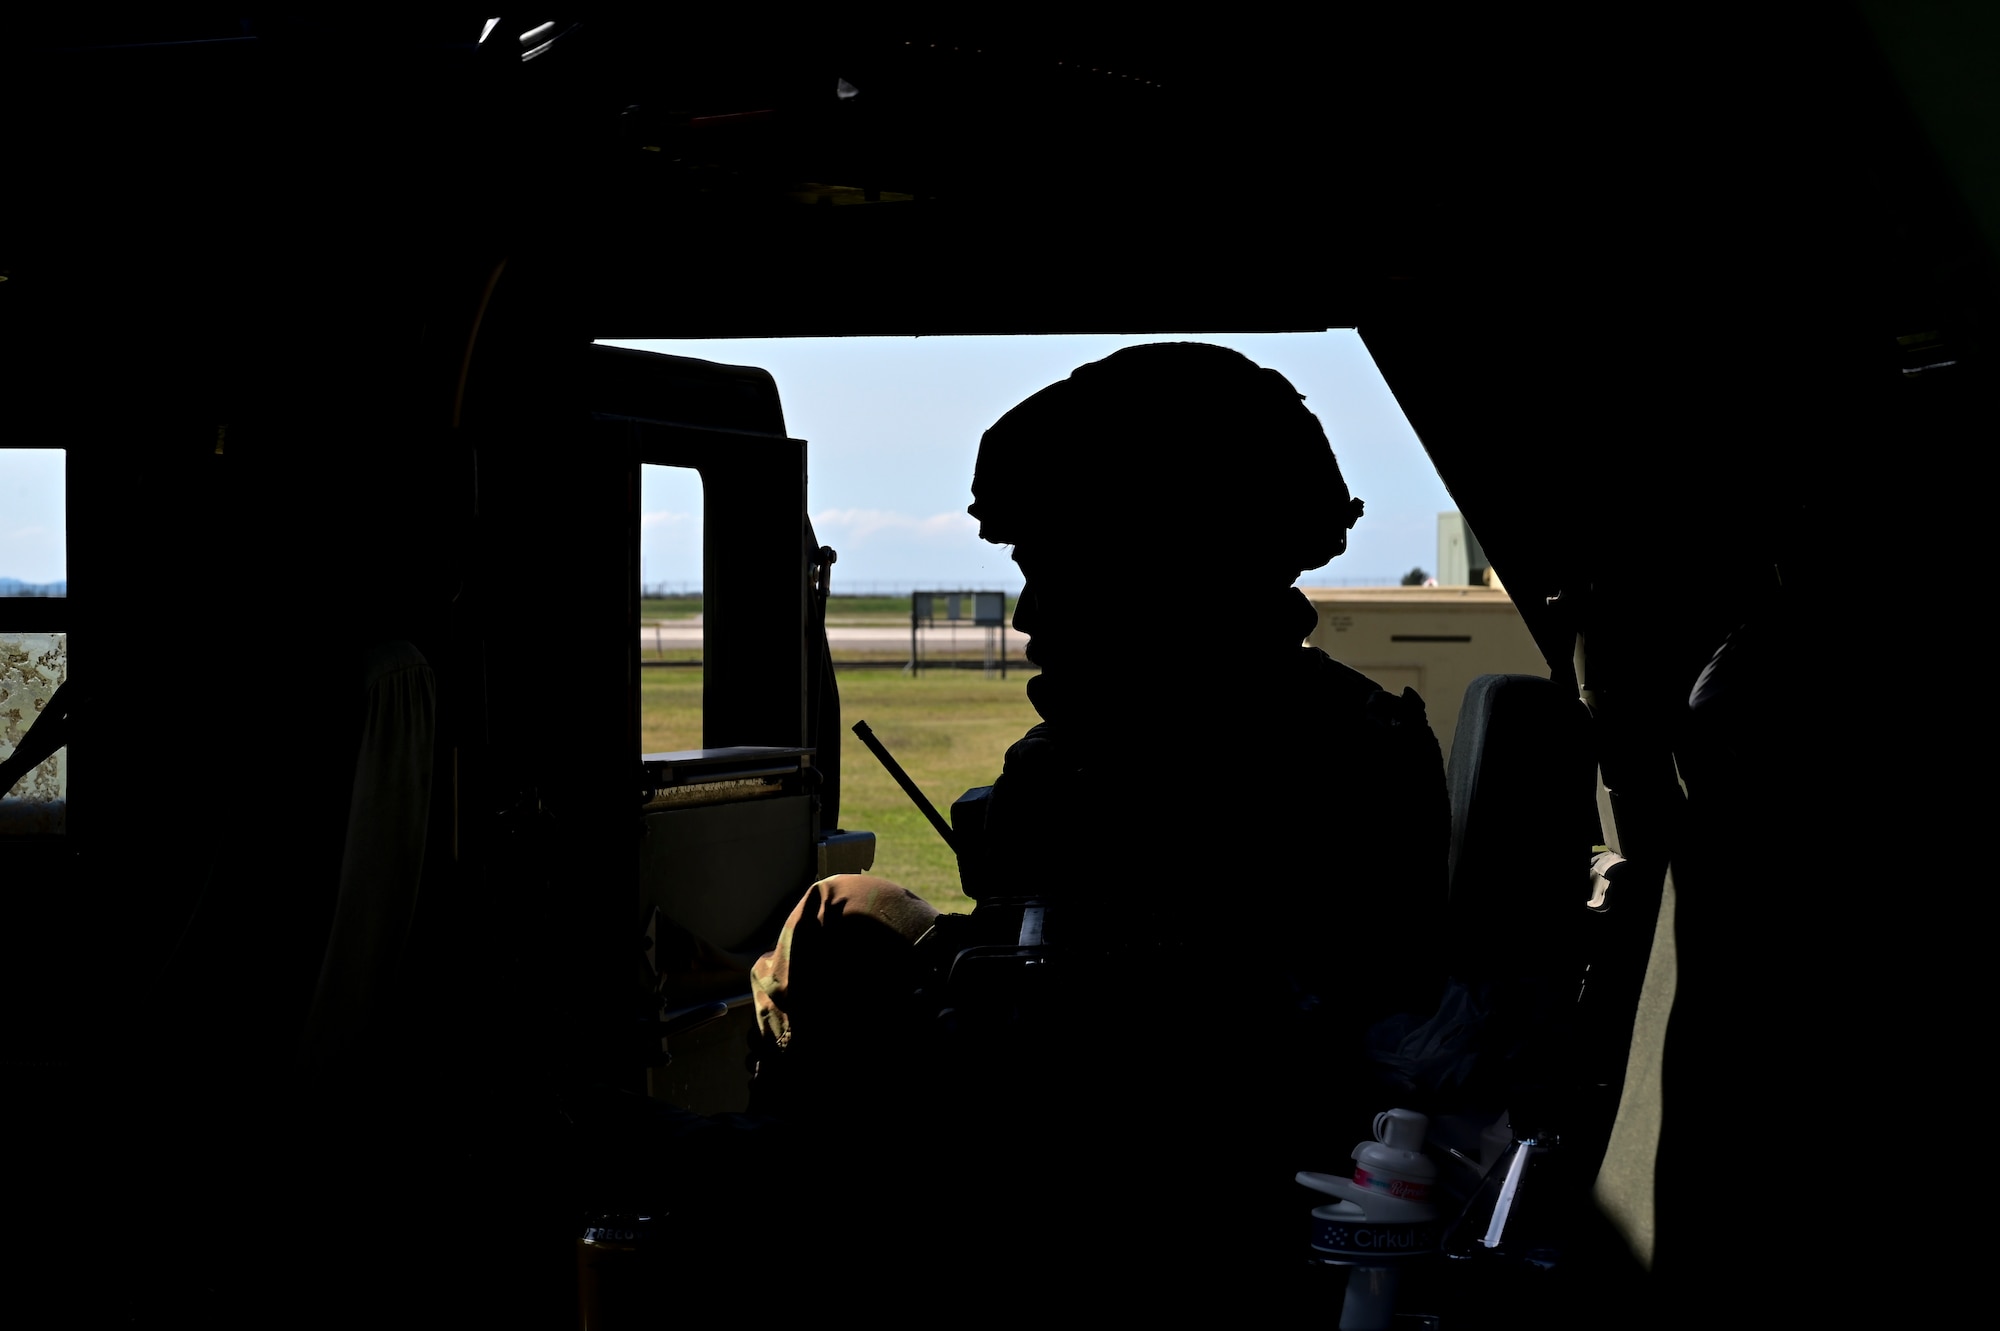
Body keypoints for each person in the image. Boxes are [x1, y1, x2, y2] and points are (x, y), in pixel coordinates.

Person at [748, 343, 1449, 1285]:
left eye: (1056, 566)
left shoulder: (1250, 772)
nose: (1029, 611)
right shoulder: (1287, 740)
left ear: (1162, 567)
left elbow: (1107, 1072)